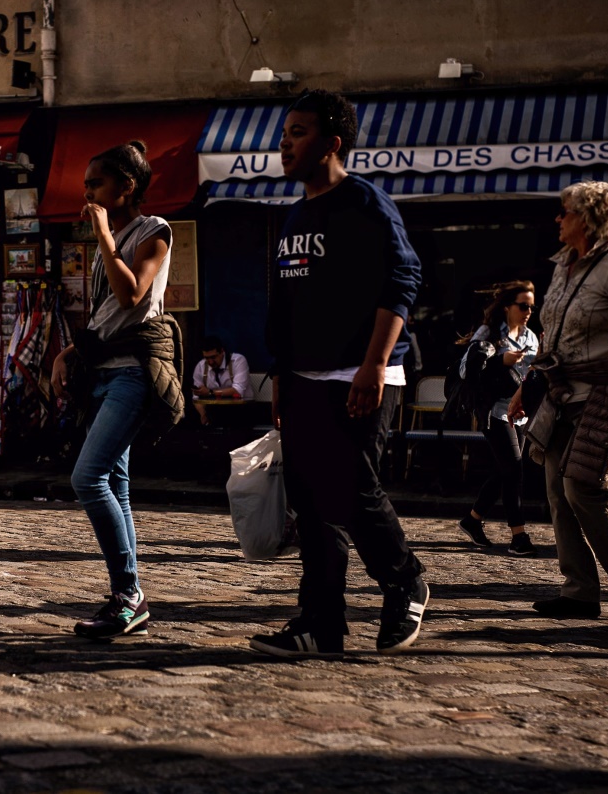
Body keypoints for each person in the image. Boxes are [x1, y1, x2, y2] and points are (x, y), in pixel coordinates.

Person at [252, 89, 428, 659]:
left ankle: (405, 579)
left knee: (349, 490)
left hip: (361, 373)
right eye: (283, 134)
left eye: (297, 133)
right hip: (303, 377)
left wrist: (375, 363)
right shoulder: (294, 215)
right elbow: (285, 303)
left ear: (331, 142)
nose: (284, 144)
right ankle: (319, 624)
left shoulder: (366, 204)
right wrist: (280, 377)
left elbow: (401, 282)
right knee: (309, 500)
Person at [51, 140, 182, 640]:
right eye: (85, 185)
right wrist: (68, 353)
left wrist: (104, 234)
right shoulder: (118, 234)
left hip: (133, 373)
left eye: (96, 184)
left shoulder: (154, 232)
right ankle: (128, 601)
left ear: (126, 187)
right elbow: (107, 317)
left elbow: (133, 294)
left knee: (88, 477)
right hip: (103, 369)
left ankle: (129, 593)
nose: (87, 194)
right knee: (117, 485)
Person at [508, 180, 608, 619]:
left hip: (602, 394)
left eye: (565, 211)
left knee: (581, 489)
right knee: (556, 490)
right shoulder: (562, 267)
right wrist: (525, 386)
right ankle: (579, 592)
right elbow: (551, 339)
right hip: (559, 394)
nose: (558, 218)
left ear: (589, 218)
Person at [455, 281, 540, 556]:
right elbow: (466, 370)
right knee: (514, 469)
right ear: (508, 307)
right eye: (523, 306)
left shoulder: (531, 338)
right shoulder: (490, 332)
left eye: (531, 306)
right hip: (495, 411)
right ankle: (519, 537)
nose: (528, 311)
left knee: (505, 470)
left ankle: (473, 518)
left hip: (522, 414)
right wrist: (499, 362)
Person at [191, 335, 254, 425]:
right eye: (207, 358)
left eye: (213, 357)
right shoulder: (201, 366)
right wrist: (203, 414)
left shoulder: (238, 361)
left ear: (222, 352)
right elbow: (196, 398)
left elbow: (238, 390)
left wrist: (210, 392)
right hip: (214, 411)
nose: (210, 362)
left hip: (240, 410)